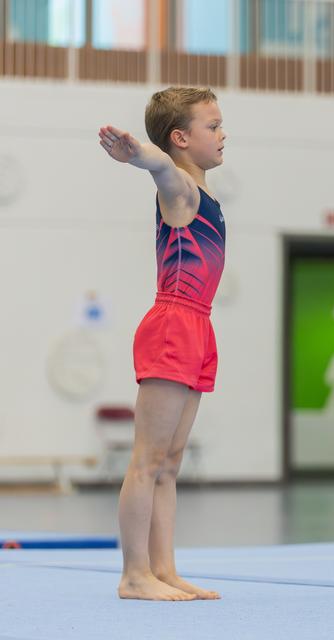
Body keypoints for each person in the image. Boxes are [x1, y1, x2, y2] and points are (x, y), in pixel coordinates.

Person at [98, 86, 227, 601]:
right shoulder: (182, 192)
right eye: (212, 126)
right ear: (180, 137)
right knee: (148, 459)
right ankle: (133, 575)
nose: (223, 135)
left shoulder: (207, 195)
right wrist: (141, 155)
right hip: (173, 321)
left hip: (199, 325)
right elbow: (161, 168)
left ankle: (164, 569)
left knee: (171, 462)